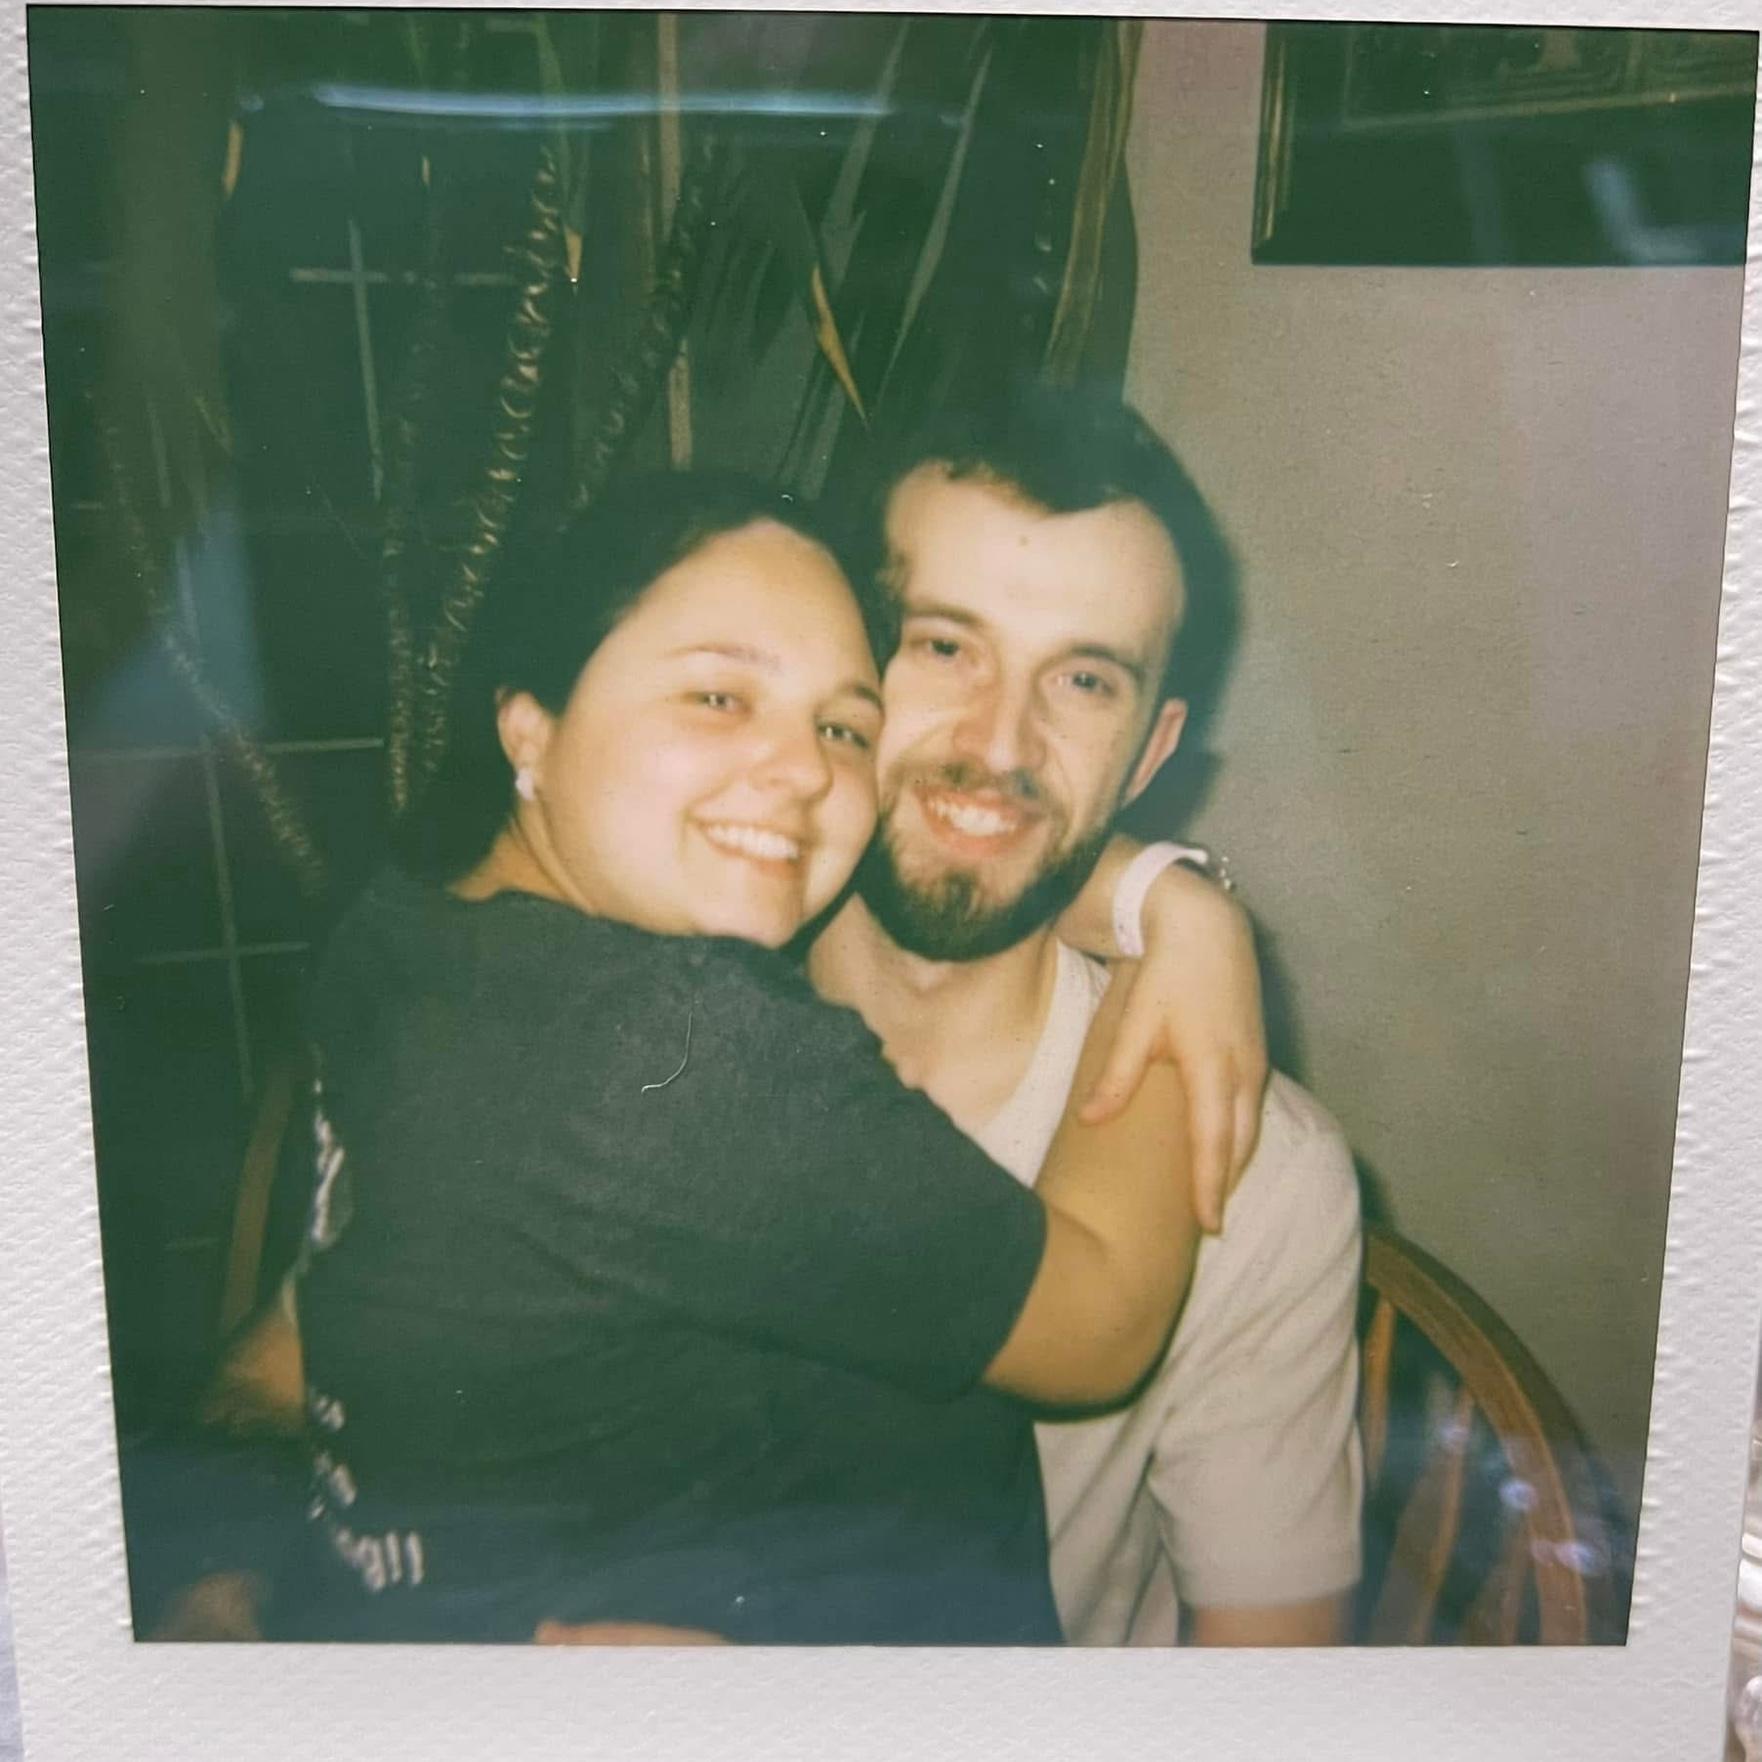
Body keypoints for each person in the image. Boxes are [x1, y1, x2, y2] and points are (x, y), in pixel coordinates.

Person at [265, 471, 1213, 1646]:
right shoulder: (673, 1046)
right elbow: (1103, 1322)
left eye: (842, 727)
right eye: (718, 696)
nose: (805, 770)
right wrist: (1181, 943)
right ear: (530, 724)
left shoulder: (405, 927)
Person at [798, 388, 1366, 1645]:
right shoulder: (638, 1023)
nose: (1000, 741)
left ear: (1149, 754)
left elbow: (1268, 1696)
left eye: (1084, 679)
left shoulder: (1252, 1174)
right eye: (944, 647)